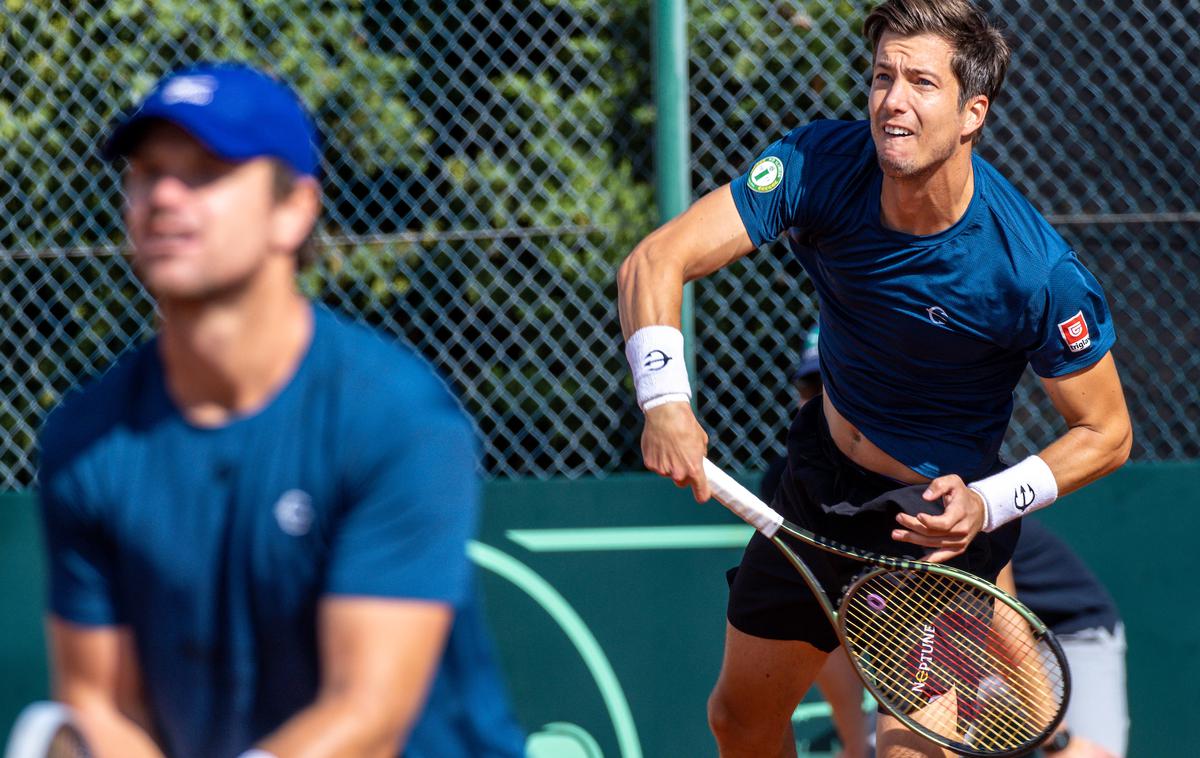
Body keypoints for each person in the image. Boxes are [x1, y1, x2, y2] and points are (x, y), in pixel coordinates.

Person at [616, 0, 1132, 755]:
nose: (893, 100)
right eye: (882, 76)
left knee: (906, 751)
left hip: (930, 525)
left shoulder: (1035, 272)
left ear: (970, 112)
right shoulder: (822, 162)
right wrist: (664, 402)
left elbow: (1107, 434)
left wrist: (986, 504)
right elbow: (655, 260)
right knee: (739, 719)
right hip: (816, 481)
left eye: (922, 82)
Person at [36, 62, 525, 758]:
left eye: (206, 171)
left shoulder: (398, 420)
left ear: (293, 210)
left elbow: (368, 716)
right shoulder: (84, 439)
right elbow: (101, 704)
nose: (164, 195)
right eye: (147, 171)